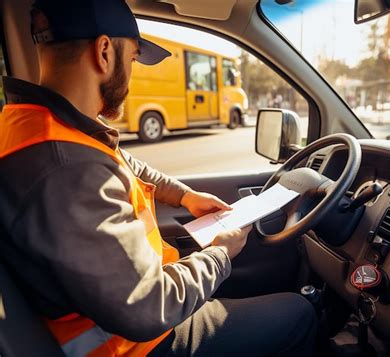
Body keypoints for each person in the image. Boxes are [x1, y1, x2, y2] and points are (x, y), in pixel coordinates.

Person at [0, 0, 316, 356]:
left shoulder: (34, 125)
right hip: (134, 345)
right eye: (133, 59)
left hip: (122, 312)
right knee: (299, 312)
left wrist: (184, 197)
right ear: (104, 52)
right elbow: (147, 307)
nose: (133, 74)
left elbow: (126, 162)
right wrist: (220, 254)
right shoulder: (67, 167)